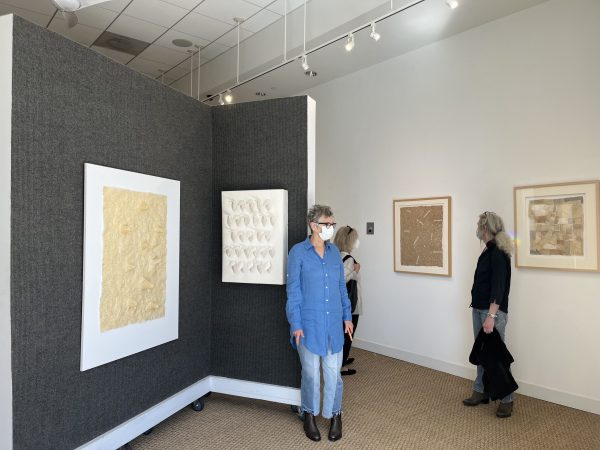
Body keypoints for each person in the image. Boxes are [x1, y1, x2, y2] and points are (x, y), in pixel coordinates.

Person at [286, 205, 354, 442]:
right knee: (311, 375)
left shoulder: (334, 253)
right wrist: (295, 323)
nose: (331, 228)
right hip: (308, 324)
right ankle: (309, 415)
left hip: (333, 323)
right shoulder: (298, 253)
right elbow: (293, 291)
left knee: (334, 374)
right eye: (328, 224)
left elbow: (341, 287)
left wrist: (347, 316)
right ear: (314, 226)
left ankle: (335, 415)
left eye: (333, 224)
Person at [463, 211, 516, 418]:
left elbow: (499, 287)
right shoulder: (489, 250)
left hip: (491, 312)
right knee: (482, 353)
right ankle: (481, 390)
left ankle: (507, 399)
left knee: (496, 356)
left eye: (479, 224)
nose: (477, 228)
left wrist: (491, 316)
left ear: (485, 227)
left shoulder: (498, 253)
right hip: (479, 308)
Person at [333, 225, 362, 376]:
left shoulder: (334, 256)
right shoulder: (349, 260)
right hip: (350, 305)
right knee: (347, 335)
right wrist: (355, 270)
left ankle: (341, 359)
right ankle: (341, 365)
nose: (357, 242)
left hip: (338, 304)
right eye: (355, 239)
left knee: (341, 334)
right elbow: (341, 279)